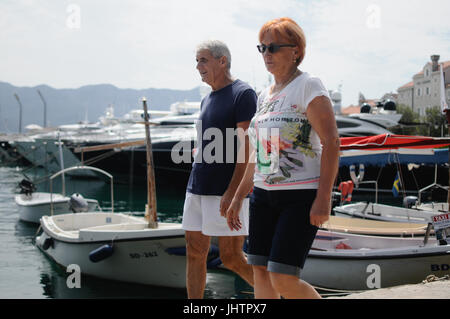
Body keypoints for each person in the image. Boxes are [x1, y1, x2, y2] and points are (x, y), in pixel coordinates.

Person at [225, 17, 340, 299]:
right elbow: (258, 151)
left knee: (283, 278)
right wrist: (239, 196)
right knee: (260, 273)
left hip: (300, 196)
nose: (266, 54)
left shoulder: (308, 85)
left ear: (296, 51)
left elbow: (332, 142)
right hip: (263, 196)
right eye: (261, 48)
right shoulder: (265, 95)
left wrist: (324, 198)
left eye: (273, 47)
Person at [181, 40, 257, 299]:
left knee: (232, 257)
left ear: (221, 60)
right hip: (197, 186)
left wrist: (233, 192)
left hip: (224, 190)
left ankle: (281, 294)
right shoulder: (206, 99)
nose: (198, 66)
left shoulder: (243, 93)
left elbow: (247, 148)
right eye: (197, 61)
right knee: (194, 251)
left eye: (203, 60)